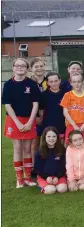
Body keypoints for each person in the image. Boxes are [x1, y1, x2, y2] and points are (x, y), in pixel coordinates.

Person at [3, 58, 41, 187]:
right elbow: (7, 105)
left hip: (28, 120)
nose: (20, 68)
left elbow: (36, 104)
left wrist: (30, 121)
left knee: (27, 149)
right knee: (18, 148)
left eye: (23, 66)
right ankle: (19, 179)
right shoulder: (8, 85)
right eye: (17, 65)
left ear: (27, 68)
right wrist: (17, 123)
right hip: (13, 120)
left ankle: (28, 178)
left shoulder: (31, 84)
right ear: (13, 68)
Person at [35, 127, 68, 194]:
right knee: (51, 190)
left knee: (62, 189)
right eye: (49, 136)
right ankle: (42, 186)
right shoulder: (39, 151)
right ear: (44, 137)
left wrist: (58, 177)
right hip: (44, 177)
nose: (51, 139)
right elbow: (37, 168)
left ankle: (54, 185)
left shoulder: (62, 150)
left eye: (54, 136)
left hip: (58, 176)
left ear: (57, 137)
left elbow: (64, 166)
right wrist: (46, 177)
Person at [61, 73, 84, 144]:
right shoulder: (67, 95)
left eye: (79, 81)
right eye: (74, 82)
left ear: (82, 82)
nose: (76, 84)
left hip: (83, 125)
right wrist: (74, 125)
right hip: (71, 124)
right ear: (71, 83)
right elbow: (65, 112)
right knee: (70, 145)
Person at [39, 72, 66, 141]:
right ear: (47, 83)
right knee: (49, 147)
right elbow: (41, 111)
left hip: (62, 125)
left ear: (60, 80)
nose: (54, 83)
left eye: (56, 81)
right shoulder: (43, 95)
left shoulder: (66, 94)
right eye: (51, 81)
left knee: (61, 148)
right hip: (48, 126)